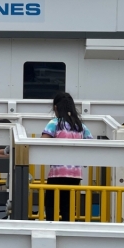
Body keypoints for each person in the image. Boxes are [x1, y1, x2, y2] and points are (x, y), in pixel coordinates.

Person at [40, 92, 93, 221]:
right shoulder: (81, 126)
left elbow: (42, 143)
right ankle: (66, 230)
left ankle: (51, 229)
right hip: (75, 174)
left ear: (56, 108)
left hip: (57, 173)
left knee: (51, 204)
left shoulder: (54, 123)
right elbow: (91, 145)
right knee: (67, 205)